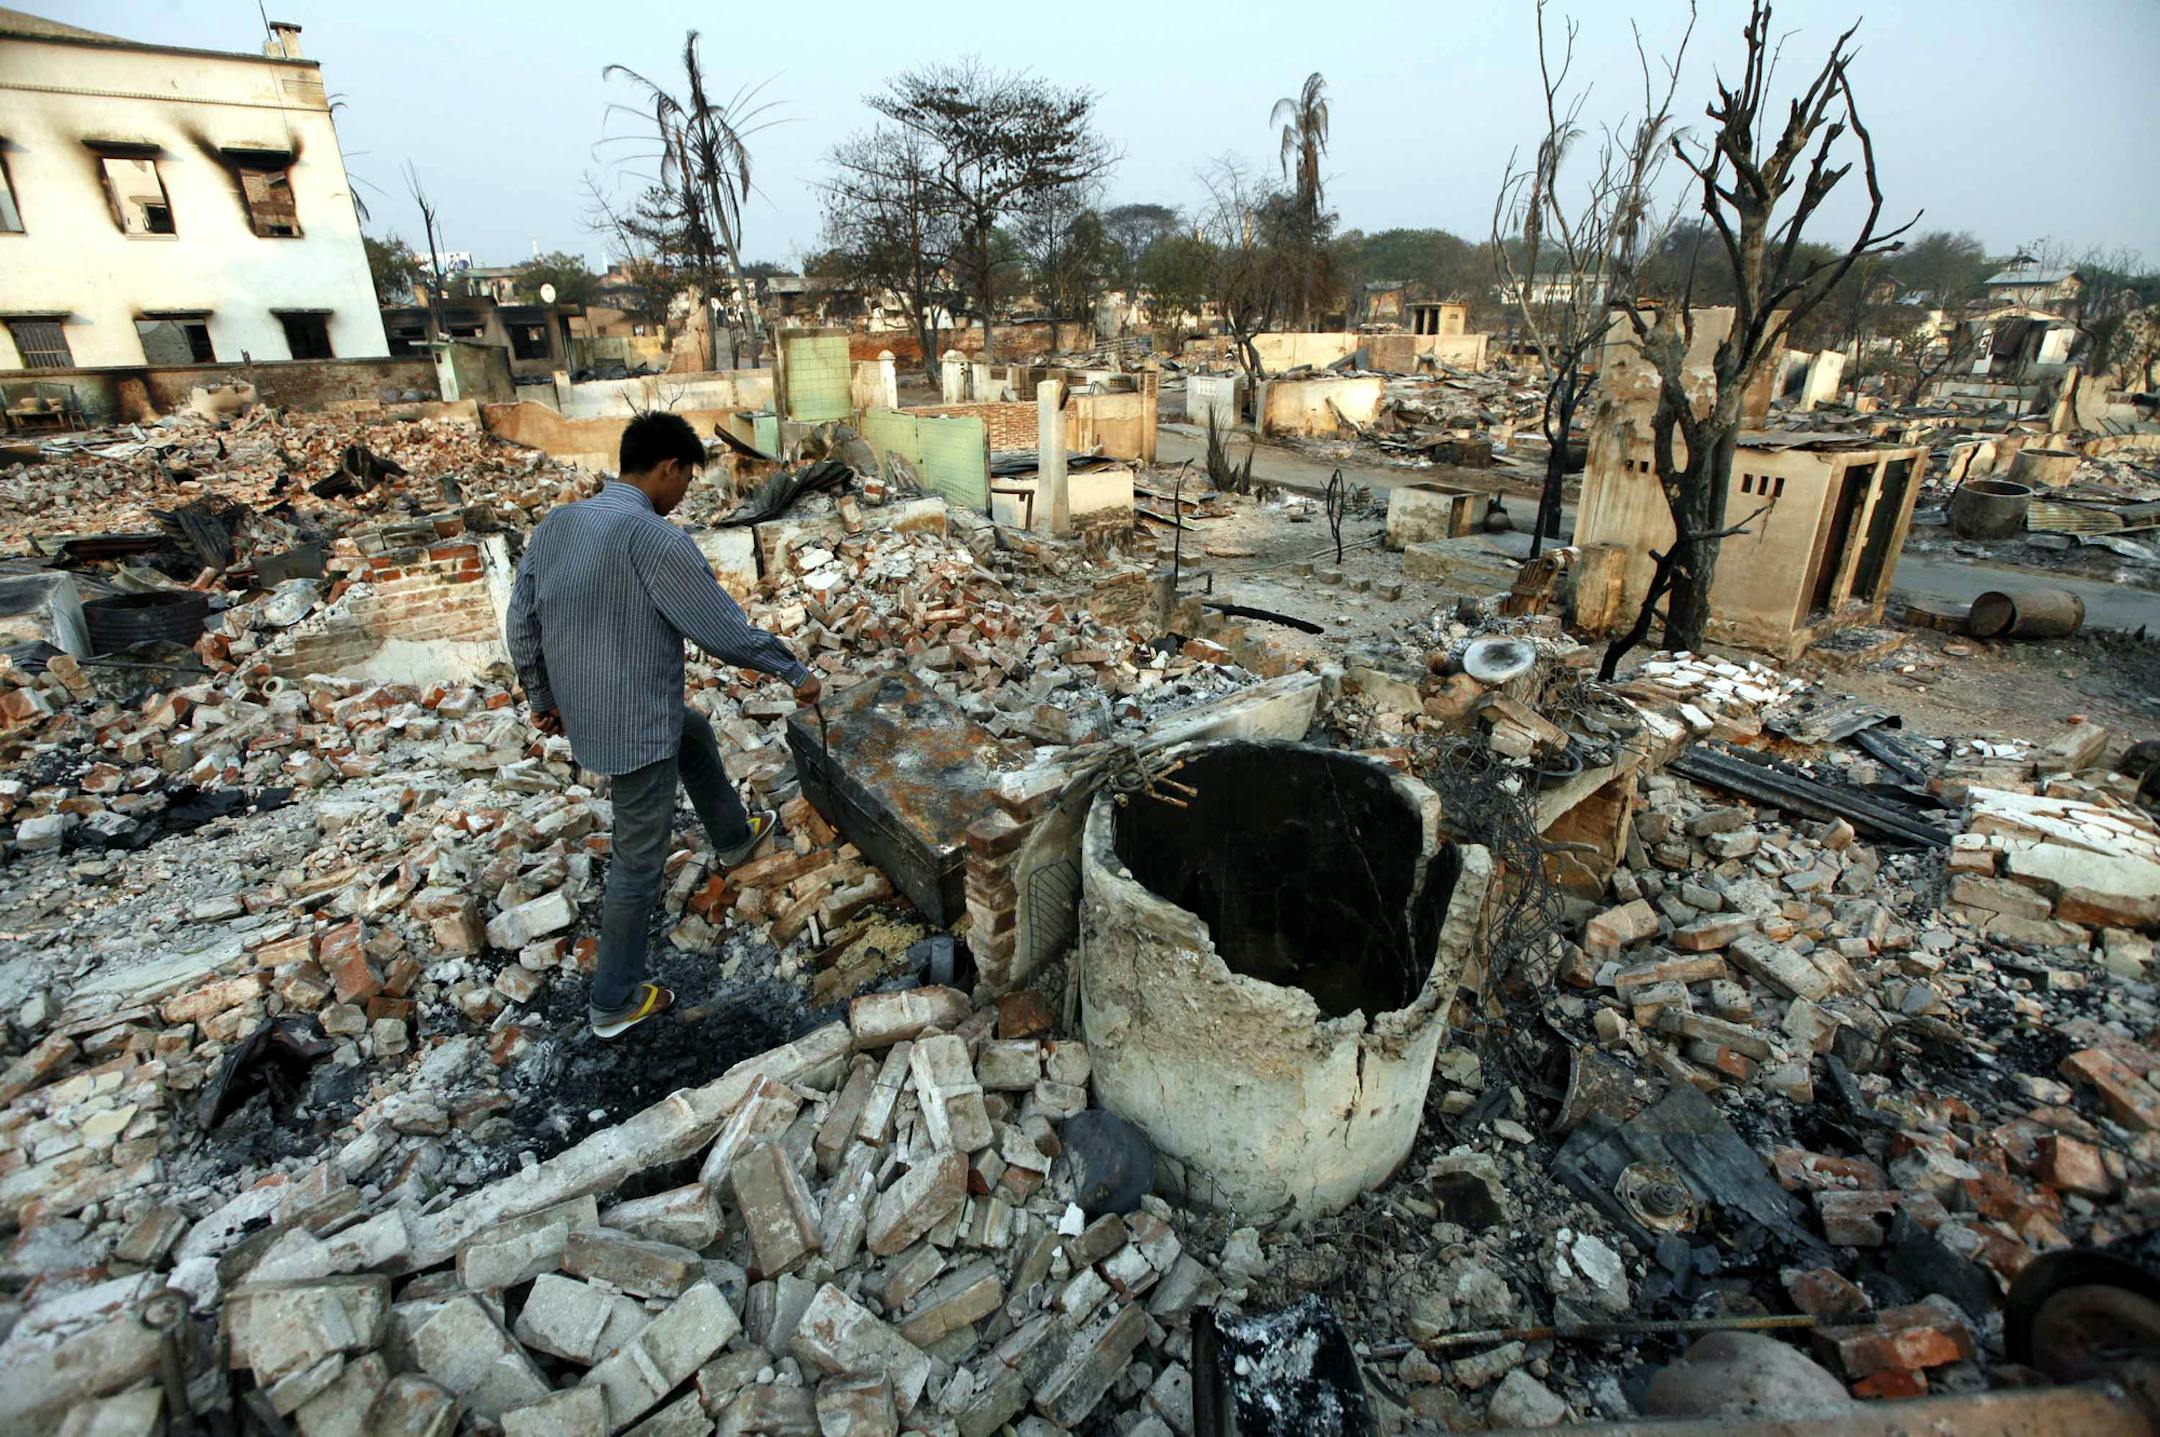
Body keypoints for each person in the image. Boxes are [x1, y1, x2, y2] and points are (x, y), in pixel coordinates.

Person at [506, 412, 821, 1039]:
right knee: (637, 860)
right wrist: (792, 671)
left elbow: (522, 618)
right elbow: (722, 630)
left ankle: (734, 836)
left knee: (696, 730)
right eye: (685, 481)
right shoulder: (651, 538)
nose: (683, 497)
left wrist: (541, 692)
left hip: (592, 710)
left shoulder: (558, 524)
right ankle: (613, 1001)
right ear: (667, 469)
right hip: (634, 728)